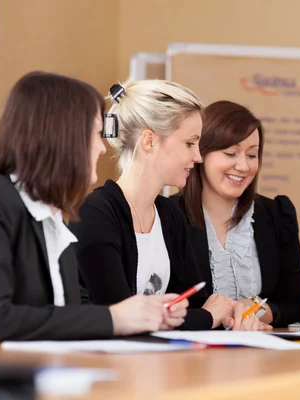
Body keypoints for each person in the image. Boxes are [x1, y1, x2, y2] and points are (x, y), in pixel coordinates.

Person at [0, 71, 187, 342]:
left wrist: (141, 314)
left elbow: (68, 314)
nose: (101, 148)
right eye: (95, 134)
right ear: (62, 135)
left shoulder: (51, 216)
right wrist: (115, 318)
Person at [69, 80, 259, 331]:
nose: (197, 157)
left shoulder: (169, 215)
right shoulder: (95, 214)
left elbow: (195, 303)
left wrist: (228, 313)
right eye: (190, 143)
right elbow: (122, 318)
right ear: (149, 141)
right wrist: (207, 317)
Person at [172, 100, 300, 328]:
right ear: (200, 154)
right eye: (231, 153)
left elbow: (297, 308)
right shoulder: (168, 216)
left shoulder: (276, 215)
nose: (243, 167)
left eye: (252, 155)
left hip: (261, 355)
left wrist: (254, 308)